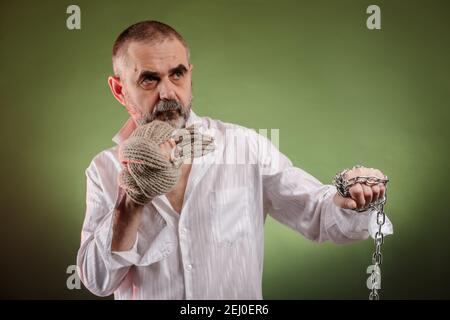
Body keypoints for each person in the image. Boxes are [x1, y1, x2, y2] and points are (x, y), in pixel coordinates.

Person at [76, 20, 393, 299]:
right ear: (120, 90)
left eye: (177, 74)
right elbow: (97, 281)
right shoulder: (104, 170)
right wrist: (133, 202)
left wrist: (347, 198)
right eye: (149, 79)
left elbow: (318, 215)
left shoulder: (245, 147)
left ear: (189, 74)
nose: (168, 92)